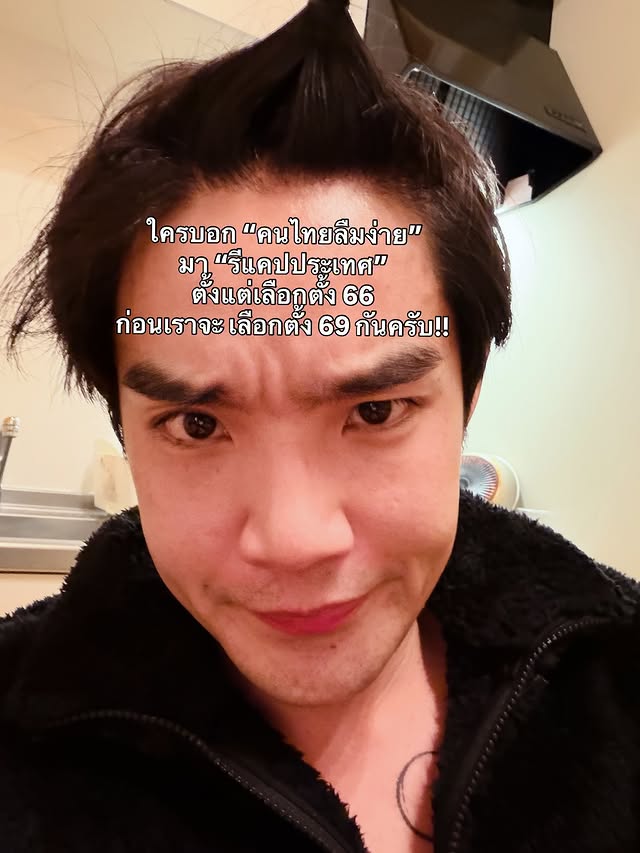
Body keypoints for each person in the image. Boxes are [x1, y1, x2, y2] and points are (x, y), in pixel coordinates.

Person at [1, 0, 639, 851]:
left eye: (374, 411)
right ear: (125, 428)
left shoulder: (618, 677)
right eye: (197, 424)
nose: (295, 539)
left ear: (468, 399)